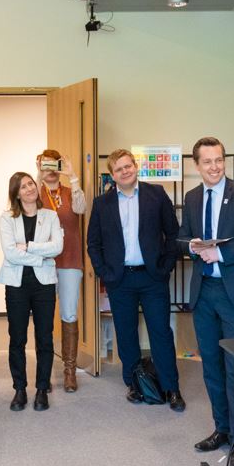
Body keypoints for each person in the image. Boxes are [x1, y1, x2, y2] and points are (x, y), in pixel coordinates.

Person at [178, 137, 234, 458]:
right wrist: (191, 245)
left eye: (219, 160)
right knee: (212, 367)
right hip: (204, 294)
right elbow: (182, 238)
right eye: (207, 162)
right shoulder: (191, 198)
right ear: (197, 165)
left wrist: (221, 252)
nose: (214, 167)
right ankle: (223, 429)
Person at [86, 148, 184, 411]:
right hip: (120, 280)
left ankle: (170, 388)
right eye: (119, 169)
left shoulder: (156, 195)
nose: (125, 171)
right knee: (126, 334)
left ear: (135, 166)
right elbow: (93, 243)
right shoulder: (101, 203)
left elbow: (173, 233)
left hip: (153, 278)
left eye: (128, 166)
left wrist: (166, 266)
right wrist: (104, 272)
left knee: (160, 332)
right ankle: (134, 384)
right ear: (112, 175)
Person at [0, 171, 63, 410]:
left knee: (44, 338)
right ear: (16, 193)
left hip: (44, 285)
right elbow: (10, 253)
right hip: (16, 285)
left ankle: (41, 389)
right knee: (17, 338)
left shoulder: (50, 216)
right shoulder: (7, 219)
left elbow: (57, 247)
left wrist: (28, 246)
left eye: (30, 184)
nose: (29, 189)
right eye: (23, 186)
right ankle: (19, 389)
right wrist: (40, 256)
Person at [35, 148, 88, 391]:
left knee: (68, 314)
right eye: (45, 165)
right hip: (44, 261)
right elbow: (28, 206)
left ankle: (69, 371)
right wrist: (38, 175)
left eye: (53, 164)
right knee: (44, 317)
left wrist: (72, 175)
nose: (50, 170)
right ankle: (43, 373)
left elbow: (80, 209)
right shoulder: (36, 192)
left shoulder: (69, 192)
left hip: (70, 260)